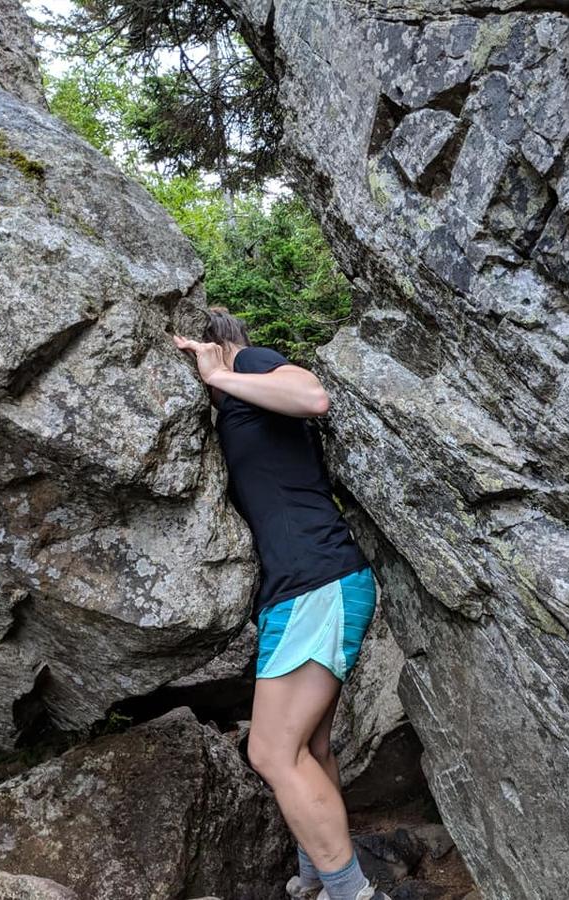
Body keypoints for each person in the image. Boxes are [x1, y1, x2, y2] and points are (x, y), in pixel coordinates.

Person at [173, 307, 391, 900]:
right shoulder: (237, 409)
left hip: (315, 582)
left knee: (270, 750)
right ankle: (316, 879)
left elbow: (312, 395)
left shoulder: (249, 363)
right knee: (308, 748)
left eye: (189, 348)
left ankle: (353, 894)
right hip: (296, 590)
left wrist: (219, 373)